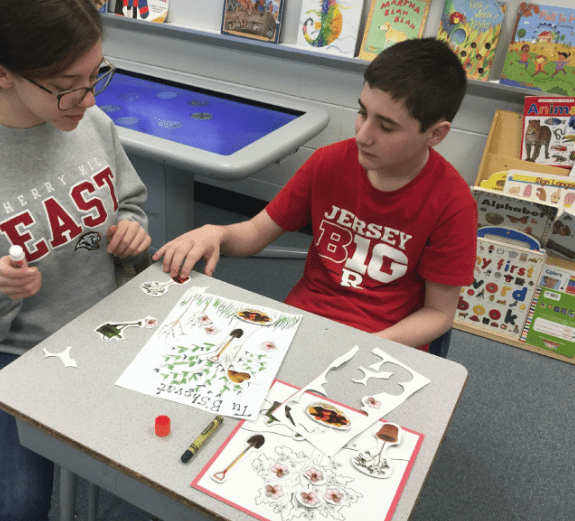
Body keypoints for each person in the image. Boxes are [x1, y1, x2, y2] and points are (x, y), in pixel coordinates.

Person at [0, 0, 151, 518]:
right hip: (15, 348)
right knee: (18, 506)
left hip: (110, 321)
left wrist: (131, 228)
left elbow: (128, 201)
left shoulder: (91, 120)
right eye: (67, 84)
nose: (86, 98)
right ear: (1, 74)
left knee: (172, 458)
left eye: (95, 75)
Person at [154, 37, 477, 351]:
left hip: (384, 342)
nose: (362, 135)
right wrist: (217, 232)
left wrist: (365, 346)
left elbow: (438, 314)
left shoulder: (453, 204)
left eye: (386, 127)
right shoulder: (329, 162)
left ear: (435, 134)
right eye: (362, 112)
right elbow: (254, 233)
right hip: (304, 323)